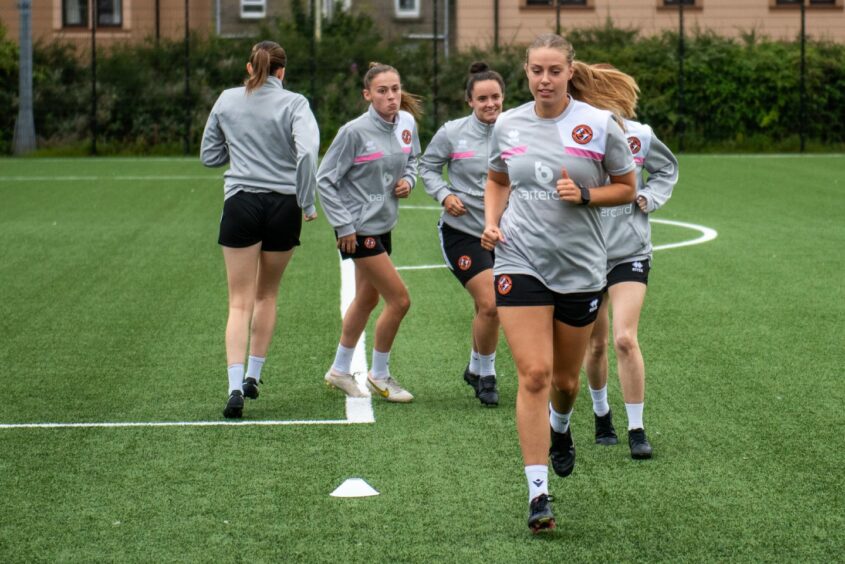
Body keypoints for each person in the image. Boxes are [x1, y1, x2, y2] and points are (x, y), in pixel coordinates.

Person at [480, 34, 637, 533]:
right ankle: (537, 495)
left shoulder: (597, 125)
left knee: (566, 384)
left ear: (570, 72)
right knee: (533, 375)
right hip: (518, 258)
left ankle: (562, 427)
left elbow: (627, 189)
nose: (543, 80)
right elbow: (498, 177)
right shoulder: (508, 123)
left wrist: (587, 195)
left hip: (581, 267)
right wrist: (491, 219)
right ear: (525, 72)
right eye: (535, 71)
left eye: (553, 71)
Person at [200, 41, 319, 419]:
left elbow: (209, 156)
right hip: (284, 206)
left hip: (242, 203)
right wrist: (307, 200)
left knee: (239, 301)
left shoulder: (227, 98)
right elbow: (308, 153)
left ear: (250, 69)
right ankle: (254, 376)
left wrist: (239, 148)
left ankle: (234, 386)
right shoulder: (295, 103)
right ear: (282, 71)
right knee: (267, 295)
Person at [568, 62, 679, 459]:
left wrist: (648, 198)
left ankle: (636, 428)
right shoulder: (572, 138)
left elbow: (666, 170)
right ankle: (602, 415)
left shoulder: (640, 136)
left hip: (629, 251)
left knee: (624, 338)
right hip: (586, 253)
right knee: (595, 345)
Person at [317, 63, 422, 403]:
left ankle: (340, 369)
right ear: (367, 95)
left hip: (382, 223)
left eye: (395, 89)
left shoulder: (407, 124)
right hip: (358, 230)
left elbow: (413, 160)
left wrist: (408, 180)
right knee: (400, 300)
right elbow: (325, 179)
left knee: (367, 298)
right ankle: (379, 374)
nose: (391, 96)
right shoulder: (353, 132)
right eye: (382, 91)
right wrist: (344, 225)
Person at [420, 62, 505, 407]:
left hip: (506, 234)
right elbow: (426, 166)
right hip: (463, 232)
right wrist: (445, 194)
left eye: (496, 97)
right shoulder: (452, 132)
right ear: (469, 100)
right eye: (482, 98)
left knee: (491, 309)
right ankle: (486, 375)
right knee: (491, 304)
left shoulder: (517, 130)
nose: (490, 104)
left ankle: (474, 366)